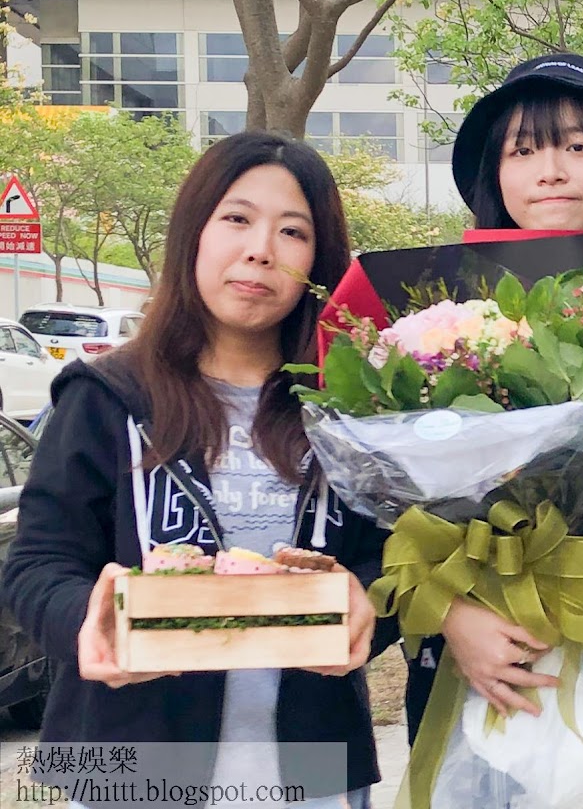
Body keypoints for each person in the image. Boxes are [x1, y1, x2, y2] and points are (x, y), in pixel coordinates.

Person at [1, 131, 385, 807]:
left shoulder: (349, 407)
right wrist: (88, 618)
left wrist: (371, 604)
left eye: (293, 232)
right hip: (130, 766)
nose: (261, 249)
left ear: (318, 261)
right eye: (236, 218)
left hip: (312, 767)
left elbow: (393, 556)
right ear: (194, 234)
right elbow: (36, 563)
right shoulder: (103, 397)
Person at [400, 52, 583, 808]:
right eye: (523, 151)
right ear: (495, 176)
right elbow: (397, 495)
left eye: (577, 146)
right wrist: (459, 615)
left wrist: (574, 606)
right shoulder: (433, 312)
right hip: (471, 638)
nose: (551, 171)